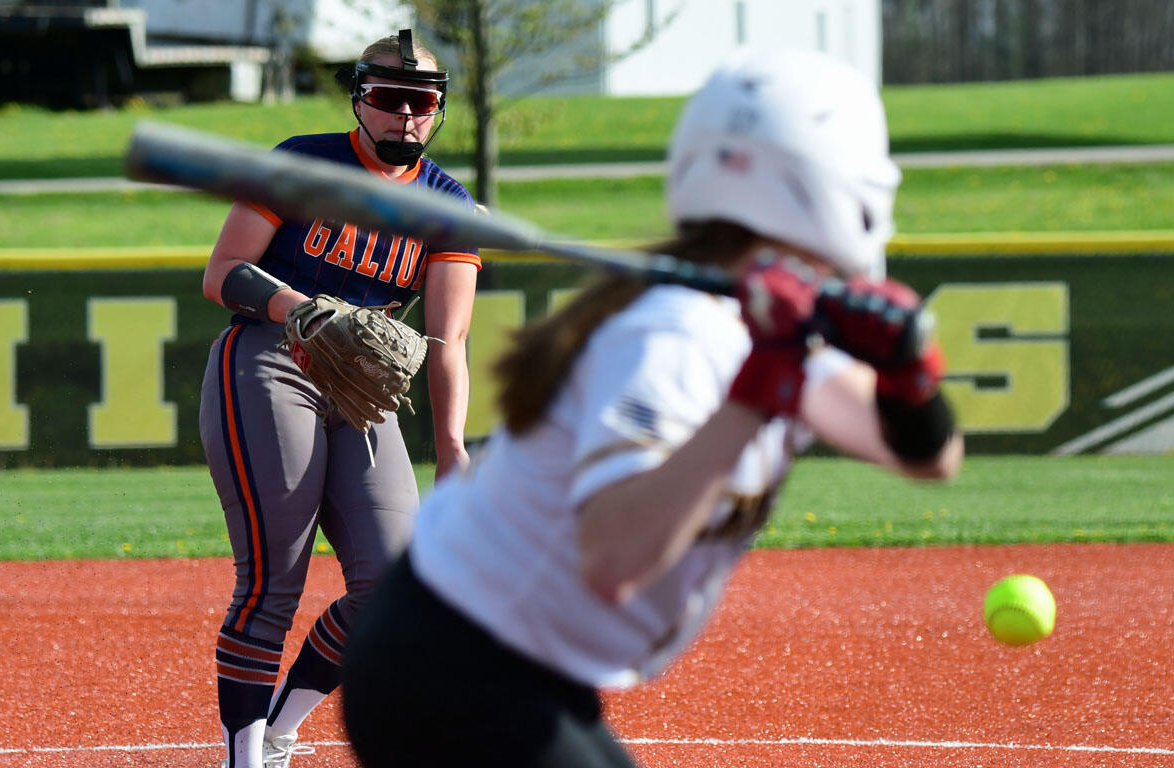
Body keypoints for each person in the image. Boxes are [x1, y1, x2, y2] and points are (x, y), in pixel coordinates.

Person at [339, 46, 964, 768]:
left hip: (505, 670)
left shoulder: (767, 325)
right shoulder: (678, 334)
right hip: (448, 665)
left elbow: (928, 457)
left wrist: (906, 377)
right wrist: (757, 393)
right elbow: (612, 557)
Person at [197, 29, 480, 768]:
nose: (407, 116)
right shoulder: (303, 161)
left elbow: (448, 341)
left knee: (393, 586)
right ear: (360, 99)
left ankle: (283, 731)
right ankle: (243, 758)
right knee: (273, 578)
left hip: (362, 388)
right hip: (273, 358)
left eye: (423, 103)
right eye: (390, 100)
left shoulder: (448, 204)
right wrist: (304, 310)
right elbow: (223, 272)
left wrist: (452, 447)